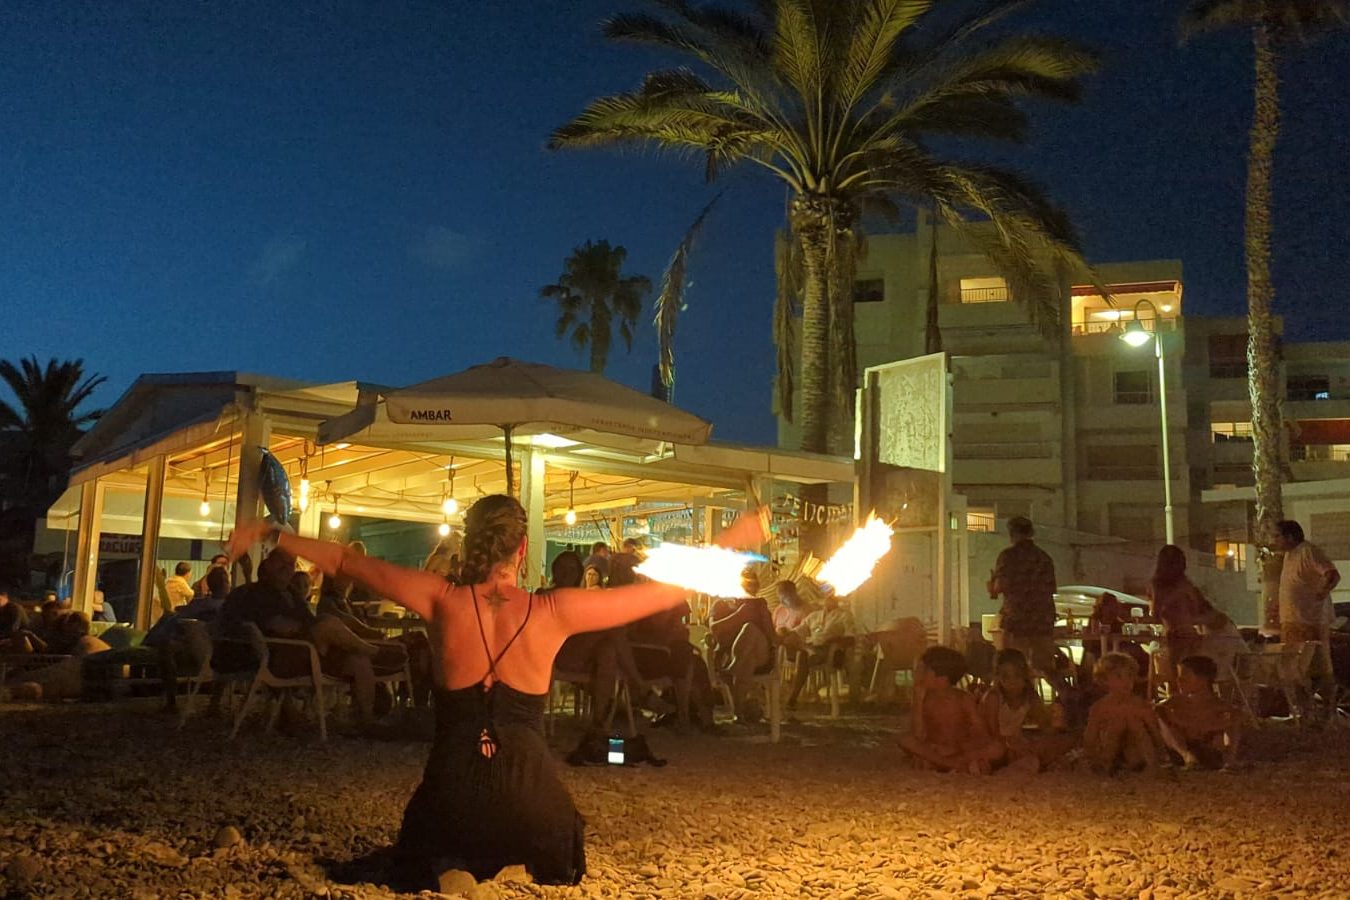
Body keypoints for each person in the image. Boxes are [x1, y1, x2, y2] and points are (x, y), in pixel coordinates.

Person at [227, 494, 767, 888]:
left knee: (427, 844)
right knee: (558, 839)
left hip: (450, 797)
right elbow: (659, 594)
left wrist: (272, 533)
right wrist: (731, 541)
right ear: (523, 548)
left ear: (469, 543)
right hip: (530, 803)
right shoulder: (554, 610)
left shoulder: (440, 598)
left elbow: (346, 562)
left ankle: (454, 863)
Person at [1273, 519, 1341, 716]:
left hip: (1309, 621)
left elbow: (1331, 574)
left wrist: (1321, 593)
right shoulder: (1289, 556)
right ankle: (1304, 712)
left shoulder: (1307, 551)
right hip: (1293, 621)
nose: (1274, 541)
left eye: (1277, 536)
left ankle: (1324, 711)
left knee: (1312, 669)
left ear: (1290, 536)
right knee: (1296, 670)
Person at [987, 517, 1060, 683]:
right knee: (1046, 667)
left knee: (1012, 665)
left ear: (1012, 533)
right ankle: (1065, 693)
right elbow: (1050, 588)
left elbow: (1001, 585)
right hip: (1043, 619)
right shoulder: (1044, 557)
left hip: (1017, 618)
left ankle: (1018, 696)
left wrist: (992, 587)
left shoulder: (1008, 556)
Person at [975, 649, 1071, 773]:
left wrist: (1057, 723)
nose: (1012, 682)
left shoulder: (1030, 696)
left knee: (1058, 743)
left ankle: (1019, 765)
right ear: (998, 677)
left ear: (1025, 675)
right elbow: (991, 733)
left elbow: (1044, 725)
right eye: (1005, 677)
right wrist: (1011, 744)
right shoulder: (993, 697)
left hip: (1016, 744)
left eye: (1017, 676)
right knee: (997, 750)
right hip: (995, 744)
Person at [897, 646, 990, 773]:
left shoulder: (963, 699)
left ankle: (941, 762)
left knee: (997, 748)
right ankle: (949, 763)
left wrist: (960, 747)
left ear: (942, 678)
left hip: (959, 749)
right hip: (935, 749)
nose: (918, 676)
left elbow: (982, 732)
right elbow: (918, 735)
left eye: (924, 671)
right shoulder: (924, 699)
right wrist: (918, 701)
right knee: (905, 740)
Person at [1149, 545, 1229, 680]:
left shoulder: (1183, 585)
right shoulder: (1174, 586)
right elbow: (1159, 612)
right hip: (1178, 635)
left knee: (1185, 670)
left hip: (1186, 635)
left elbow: (1157, 612)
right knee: (1182, 670)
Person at [708, 570, 776, 724]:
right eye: (747, 585)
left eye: (753, 585)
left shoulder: (759, 604)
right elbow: (714, 629)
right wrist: (739, 615)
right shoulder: (721, 604)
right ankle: (739, 714)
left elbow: (771, 635)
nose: (750, 588)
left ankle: (733, 669)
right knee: (747, 661)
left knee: (750, 629)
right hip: (734, 654)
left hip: (761, 653)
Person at [1156, 655, 1242, 770]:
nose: (1179, 680)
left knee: (1232, 719)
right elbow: (1157, 711)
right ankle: (1187, 757)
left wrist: (1206, 726)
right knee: (1161, 717)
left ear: (1203, 680)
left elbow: (1235, 717)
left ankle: (1229, 760)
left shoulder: (1219, 706)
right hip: (1181, 748)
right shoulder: (1175, 702)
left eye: (1185, 676)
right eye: (1179, 676)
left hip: (1209, 748)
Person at [1083, 652, 1163, 775]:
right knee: (1115, 725)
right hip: (1109, 750)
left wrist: (1160, 752)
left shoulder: (1140, 705)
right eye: (1119, 676)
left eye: (1130, 676)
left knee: (1135, 724)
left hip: (1135, 752)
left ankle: (1150, 765)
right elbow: (1090, 736)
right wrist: (1091, 756)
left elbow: (1155, 732)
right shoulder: (1099, 707)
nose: (1126, 681)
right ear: (1104, 680)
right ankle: (1105, 765)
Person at [784, 591, 854, 710]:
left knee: (802, 656)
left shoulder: (844, 615)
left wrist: (834, 640)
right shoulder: (814, 616)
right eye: (827, 597)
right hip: (810, 647)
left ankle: (793, 697)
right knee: (798, 648)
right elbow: (798, 631)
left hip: (829, 650)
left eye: (832, 597)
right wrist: (784, 631)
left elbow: (851, 637)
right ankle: (809, 652)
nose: (829, 599)